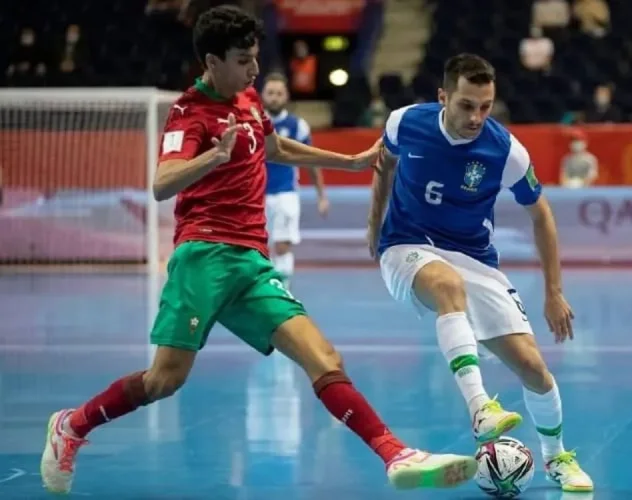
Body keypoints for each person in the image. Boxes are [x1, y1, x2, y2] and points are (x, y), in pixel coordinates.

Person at [40, 7, 477, 494]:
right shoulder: (190, 113)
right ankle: (72, 426)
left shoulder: (248, 99)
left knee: (325, 357)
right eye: (244, 60)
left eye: (255, 58)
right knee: (164, 381)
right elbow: (162, 184)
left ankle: (395, 454)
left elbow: (276, 149)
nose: (254, 70)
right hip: (203, 257)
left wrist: (348, 162)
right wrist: (213, 156)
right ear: (212, 60)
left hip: (250, 264)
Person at [367, 53, 594, 493]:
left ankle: (557, 459)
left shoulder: (504, 149)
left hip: (474, 257)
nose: (476, 117)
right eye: (467, 105)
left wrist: (553, 292)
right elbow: (385, 164)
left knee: (533, 368)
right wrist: (373, 225)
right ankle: (480, 407)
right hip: (406, 246)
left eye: (485, 106)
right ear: (443, 97)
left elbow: (541, 215)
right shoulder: (404, 122)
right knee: (447, 286)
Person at [261, 72, 328, 288]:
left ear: (286, 96)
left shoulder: (297, 126)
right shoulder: (252, 123)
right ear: (263, 95)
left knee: (282, 245)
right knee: (258, 247)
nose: (274, 97)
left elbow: (311, 161)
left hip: (285, 194)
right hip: (255, 196)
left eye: (278, 93)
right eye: (270, 93)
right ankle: (262, 292)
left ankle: (283, 291)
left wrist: (321, 195)